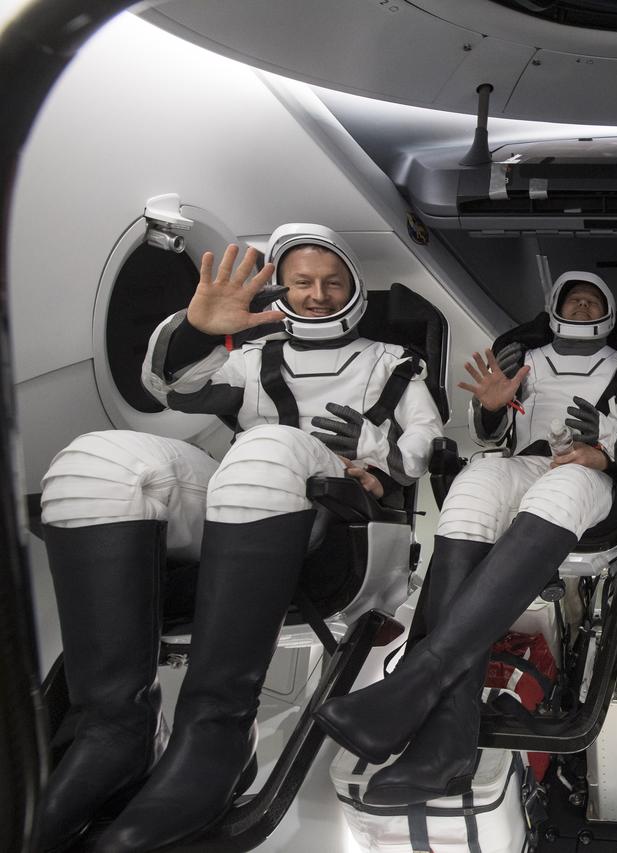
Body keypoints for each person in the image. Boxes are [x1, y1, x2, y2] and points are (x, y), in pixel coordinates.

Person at [37, 224, 443, 852]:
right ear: (282, 287)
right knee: (96, 463)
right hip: (247, 497)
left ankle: (219, 733)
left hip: (343, 521)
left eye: (332, 281)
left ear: (355, 287)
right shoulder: (253, 358)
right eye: (302, 282)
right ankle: (114, 732)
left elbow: (423, 449)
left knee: (266, 445)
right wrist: (199, 330)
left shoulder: (392, 363)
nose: (316, 294)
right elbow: (172, 389)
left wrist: (372, 454)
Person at [313, 271, 617, 805]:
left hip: (591, 474)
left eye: (594, 302)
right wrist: (494, 407)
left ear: (609, 313)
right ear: (554, 308)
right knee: (473, 481)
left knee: (562, 486)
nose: (584, 307)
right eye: (575, 299)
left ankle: (415, 681)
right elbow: (489, 436)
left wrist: (605, 453)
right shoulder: (527, 359)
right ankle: (448, 741)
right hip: (525, 462)